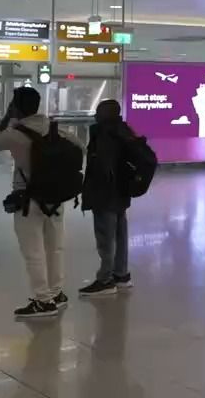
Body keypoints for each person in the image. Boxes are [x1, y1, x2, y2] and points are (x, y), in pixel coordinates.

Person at [0, 87, 69, 318]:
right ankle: (56, 293)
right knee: (55, 248)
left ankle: (43, 301)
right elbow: (79, 148)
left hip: (28, 201)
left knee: (33, 252)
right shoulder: (54, 130)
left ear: (16, 107)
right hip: (55, 198)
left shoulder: (15, 133)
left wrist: (6, 119)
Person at [78, 100, 136, 297]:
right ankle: (121, 275)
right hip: (121, 192)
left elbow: (100, 165)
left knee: (105, 237)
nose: (95, 114)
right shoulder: (124, 130)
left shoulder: (103, 133)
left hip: (105, 193)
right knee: (120, 234)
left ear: (105, 114)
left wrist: (91, 192)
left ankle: (105, 279)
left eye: (98, 111)